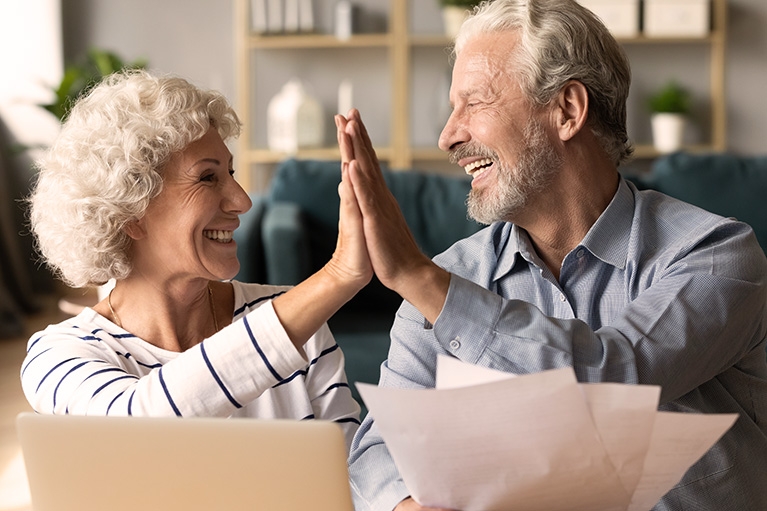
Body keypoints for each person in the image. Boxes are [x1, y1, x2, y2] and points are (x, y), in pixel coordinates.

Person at [336, 0, 767, 509]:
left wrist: (415, 276)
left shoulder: (717, 256)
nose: (448, 136)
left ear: (567, 111)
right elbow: (377, 450)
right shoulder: (452, 276)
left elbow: (615, 378)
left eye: (474, 103)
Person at [21, 70, 372, 450]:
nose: (242, 201)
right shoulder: (59, 356)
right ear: (129, 212)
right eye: (207, 178)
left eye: (231, 173)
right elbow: (134, 428)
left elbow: (350, 474)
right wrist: (338, 276)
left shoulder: (300, 325)